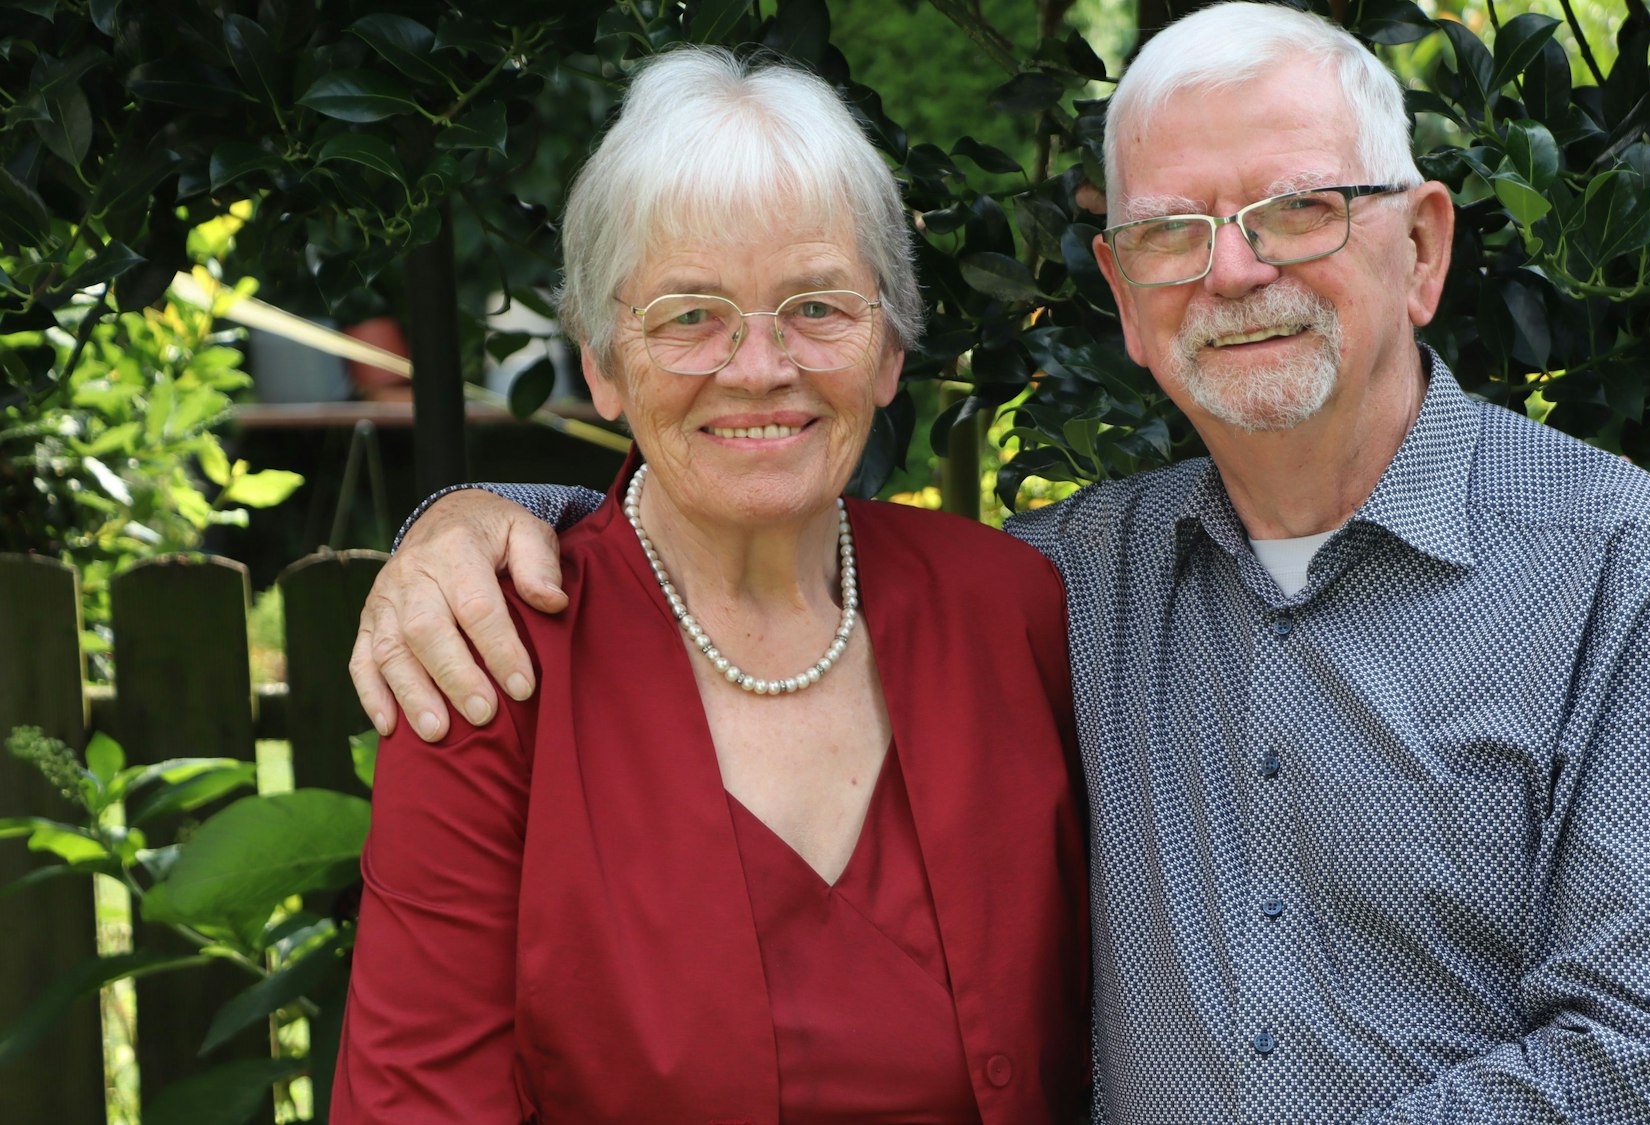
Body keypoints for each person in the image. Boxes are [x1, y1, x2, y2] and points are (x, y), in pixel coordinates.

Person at [351, 5, 1650, 1121]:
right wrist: (485, 514)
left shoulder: (1635, 581)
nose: (1235, 272)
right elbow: (722, 494)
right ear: (1121, 294)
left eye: (1299, 210)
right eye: (1175, 233)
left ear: (1424, 247)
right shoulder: (1073, 584)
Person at [331, 46, 1088, 1125]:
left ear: (886, 347)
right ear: (600, 363)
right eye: (690, 315)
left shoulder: (1010, 611)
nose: (758, 367)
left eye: (817, 307)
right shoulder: (491, 666)